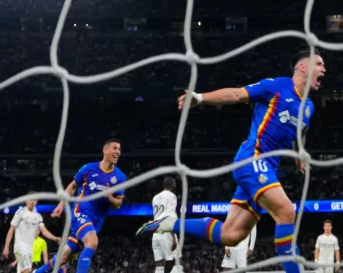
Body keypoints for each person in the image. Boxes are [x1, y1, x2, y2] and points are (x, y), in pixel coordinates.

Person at [136, 50, 326, 273]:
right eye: (319, 64)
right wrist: (200, 98)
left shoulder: (309, 107)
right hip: (252, 158)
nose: (324, 69)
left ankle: (168, 223)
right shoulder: (275, 86)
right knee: (286, 212)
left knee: (231, 235)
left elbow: (300, 133)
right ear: (302, 67)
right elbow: (236, 94)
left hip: (267, 169)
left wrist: (299, 156)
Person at [34, 139, 126, 273]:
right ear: (105, 150)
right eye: (114, 148)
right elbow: (72, 186)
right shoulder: (88, 169)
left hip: (96, 222)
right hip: (80, 212)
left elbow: (118, 204)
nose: (117, 152)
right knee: (92, 242)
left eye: (119, 149)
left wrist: (110, 197)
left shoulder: (120, 177)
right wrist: (61, 204)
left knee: (62, 258)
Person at [3, 196, 62, 273]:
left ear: (36, 202)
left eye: (34, 200)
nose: (32, 201)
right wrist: (6, 247)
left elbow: (44, 231)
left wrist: (55, 238)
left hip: (30, 250)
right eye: (30, 199)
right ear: (26, 201)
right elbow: (11, 230)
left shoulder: (38, 216)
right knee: (27, 270)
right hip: (21, 246)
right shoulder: (20, 212)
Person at [152, 176, 181, 273]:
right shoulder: (171, 196)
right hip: (167, 233)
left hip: (156, 234)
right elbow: (170, 216)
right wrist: (173, 237)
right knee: (176, 263)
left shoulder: (155, 197)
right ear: (173, 185)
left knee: (159, 266)